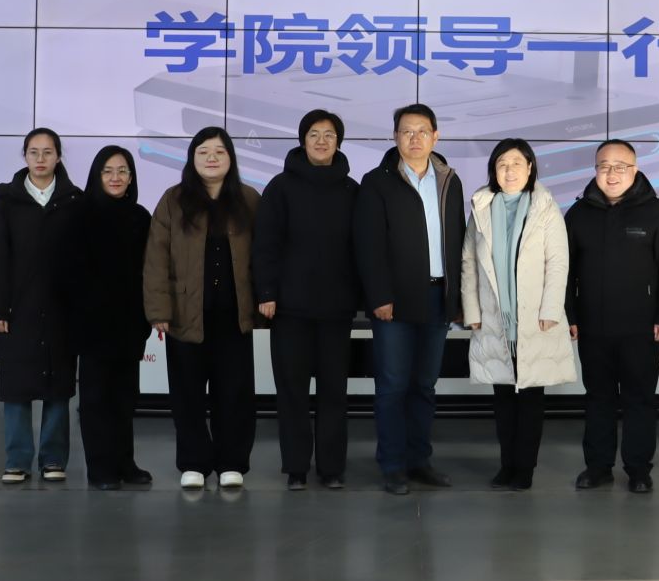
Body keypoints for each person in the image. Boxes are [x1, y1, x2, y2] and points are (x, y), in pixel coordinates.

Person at [562, 139, 659, 495]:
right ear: (595, 170)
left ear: (635, 170)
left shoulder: (657, 214)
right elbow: (565, 270)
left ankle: (638, 470)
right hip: (593, 326)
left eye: (620, 167)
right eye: (604, 166)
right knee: (597, 397)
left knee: (639, 399)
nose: (612, 174)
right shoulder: (579, 213)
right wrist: (570, 313)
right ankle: (597, 467)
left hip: (641, 327)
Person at [353, 103, 464, 496]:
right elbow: (368, 245)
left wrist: (457, 297)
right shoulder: (376, 181)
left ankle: (419, 460)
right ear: (395, 137)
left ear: (436, 136)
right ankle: (393, 465)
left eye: (422, 131)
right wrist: (379, 296)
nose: (414, 138)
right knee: (393, 385)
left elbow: (458, 238)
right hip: (395, 302)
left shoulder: (449, 180)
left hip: (438, 295)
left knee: (424, 385)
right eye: (406, 131)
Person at [144, 127, 262, 490]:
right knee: (188, 394)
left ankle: (232, 462)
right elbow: (156, 258)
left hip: (234, 316)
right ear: (192, 158)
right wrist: (159, 310)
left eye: (220, 151)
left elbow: (264, 255)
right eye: (203, 151)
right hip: (185, 314)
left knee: (235, 394)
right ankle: (193, 462)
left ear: (231, 158)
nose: (212, 158)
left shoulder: (248, 199)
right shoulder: (173, 200)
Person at [254, 110, 359, 490]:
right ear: (302, 140)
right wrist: (266, 292)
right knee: (292, 392)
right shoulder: (280, 187)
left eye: (329, 134)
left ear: (338, 142)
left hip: (336, 309)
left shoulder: (351, 190)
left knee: (334, 392)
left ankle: (331, 468)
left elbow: (361, 248)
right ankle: (296, 467)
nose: (321, 141)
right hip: (289, 309)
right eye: (314, 134)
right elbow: (265, 244)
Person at [460, 138, 574, 490]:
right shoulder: (481, 207)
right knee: (503, 399)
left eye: (516, 163)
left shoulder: (545, 207)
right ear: (494, 170)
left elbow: (558, 261)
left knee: (531, 399)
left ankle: (524, 469)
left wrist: (551, 309)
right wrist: (471, 310)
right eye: (502, 164)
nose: (509, 171)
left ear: (530, 168)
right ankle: (506, 464)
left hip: (535, 317)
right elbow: (468, 263)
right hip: (495, 317)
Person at [0, 128, 82, 484]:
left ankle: (53, 459)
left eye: (48, 152)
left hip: (61, 308)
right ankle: (18, 459)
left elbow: (81, 261)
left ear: (58, 156)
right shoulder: (6, 201)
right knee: (16, 386)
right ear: (24, 156)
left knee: (59, 386)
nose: (40, 159)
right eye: (34, 152)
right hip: (17, 308)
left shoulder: (74, 201)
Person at [65, 145, 154, 491]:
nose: (116, 178)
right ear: (96, 175)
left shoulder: (140, 216)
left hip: (130, 323)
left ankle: (124, 463)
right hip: (93, 325)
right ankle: (99, 468)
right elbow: (70, 273)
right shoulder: (80, 213)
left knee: (124, 397)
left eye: (123, 171)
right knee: (96, 399)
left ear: (131, 178)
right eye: (108, 171)